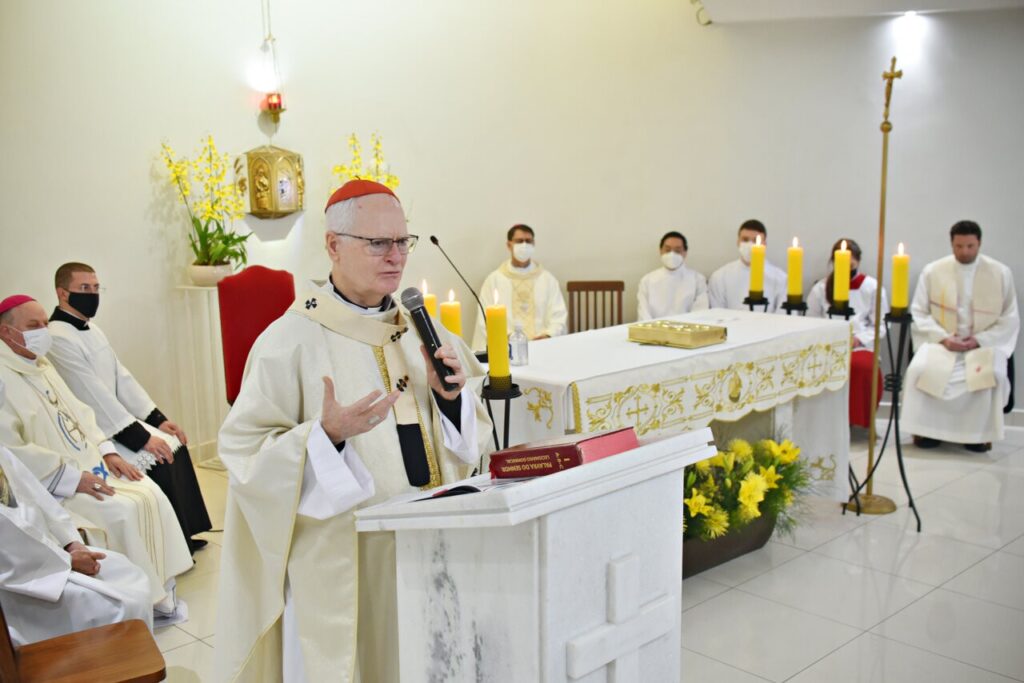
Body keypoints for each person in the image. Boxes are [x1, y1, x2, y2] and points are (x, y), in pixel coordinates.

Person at [215, 179, 492, 682]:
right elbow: (243, 452)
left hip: (434, 540)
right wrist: (324, 438)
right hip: (350, 559)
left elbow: (472, 438)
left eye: (402, 241)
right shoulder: (290, 341)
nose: (396, 257)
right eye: (378, 243)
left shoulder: (424, 329)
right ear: (333, 246)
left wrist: (452, 401)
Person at [0, 295, 192, 619]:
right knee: (120, 511)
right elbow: (12, 452)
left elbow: (82, 413)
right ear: (7, 334)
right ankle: (134, 602)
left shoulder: (41, 366)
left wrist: (108, 452)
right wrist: (73, 479)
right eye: (33, 326)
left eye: (45, 324)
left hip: (90, 464)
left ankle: (161, 594)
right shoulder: (5, 378)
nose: (43, 332)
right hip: (53, 486)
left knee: (150, 493)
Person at [47, 262, 212, 554]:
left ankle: (186, 534)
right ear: (63, 293)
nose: (93, 294)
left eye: (96, 288)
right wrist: (142, 438)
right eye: (84, 288)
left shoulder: (92, 329)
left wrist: (158, 420)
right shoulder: (57, 337)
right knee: (159, 457)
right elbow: (92, 394)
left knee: (174, 443)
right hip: (97, 428)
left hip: (115, 418)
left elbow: (121, 377)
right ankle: (171, 548)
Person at [1, 376, 152, 645]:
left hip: (47, 556)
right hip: (27, 585)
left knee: (126, 571)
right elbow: (10, 547)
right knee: (119, 603)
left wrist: (71, 542)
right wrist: (65, 560)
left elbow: (35, 496)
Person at [902, 220, 1019, 452]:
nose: (964, 252)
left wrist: (979, 340)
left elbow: (1009, 318)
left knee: (992, 375)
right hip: (943, 343)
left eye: (970, 246)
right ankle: (926, 433)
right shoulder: (933, 271)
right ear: (951, 244)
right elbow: (919, 312)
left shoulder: (1000, 273)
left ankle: (978, 436)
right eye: (959, 246)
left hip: (982, 344)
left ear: (979, 243)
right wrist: (944, 338)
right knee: (918, 371)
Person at [807, 238, 889, 427]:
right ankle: (824, 421)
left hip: (860, 345)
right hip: (827, 343)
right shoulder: (821, 288)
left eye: (850, 261)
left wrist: (858, 339)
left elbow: (881, 325)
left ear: (858, 261)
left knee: (860, 368)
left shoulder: (871, 287)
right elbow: (811, 320)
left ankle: (855, 420)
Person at [471, 224, 567, 350]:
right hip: (506, 348)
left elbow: (558, 315)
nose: (524, 245)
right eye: (519, 241)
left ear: (534, 244)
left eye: (528, 241)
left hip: (543, 347)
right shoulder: (494, 280)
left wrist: (548, 336)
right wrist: (509, 338)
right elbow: (485, 320)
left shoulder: (547, 280)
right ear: (509, 245)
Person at [707, 219, 786, 312]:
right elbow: (717, 314)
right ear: (738, 242)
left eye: (756, 240)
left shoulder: (780, 278)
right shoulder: (720, 277)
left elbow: (784, 316)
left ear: (764, 244)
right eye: (745, 239)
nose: (750, 245)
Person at [636, 231, 709, 320]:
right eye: (667, 250)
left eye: (677, 251)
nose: (672, 255)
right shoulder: (647, 280)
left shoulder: (698, 279)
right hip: (654, 331)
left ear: (685, 253)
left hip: (687, 330)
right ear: (660, 251)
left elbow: (700, 313)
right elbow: (644, 315)